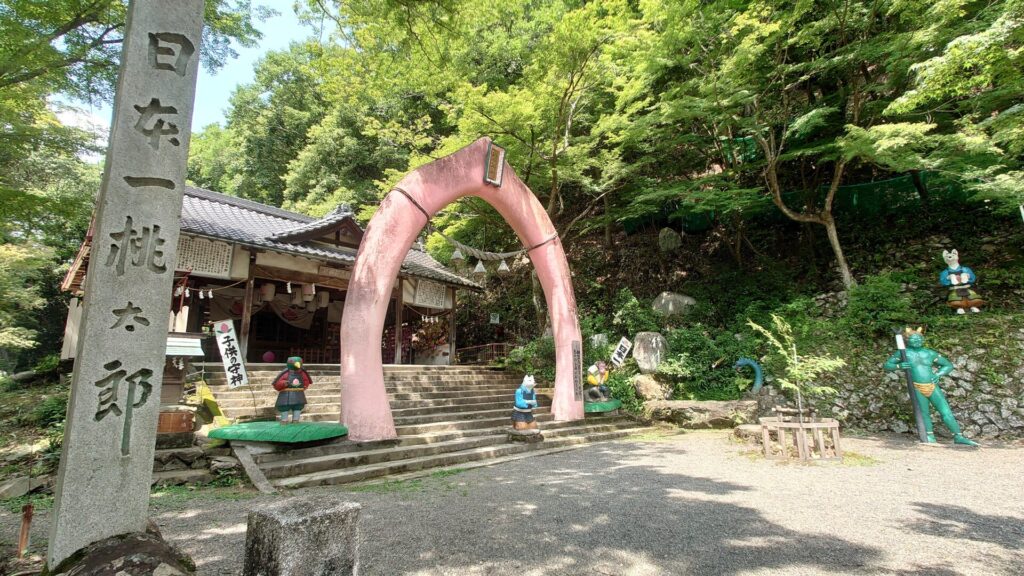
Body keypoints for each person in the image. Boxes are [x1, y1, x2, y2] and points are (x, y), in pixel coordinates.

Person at [883, 329, 979, 446]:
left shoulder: (929, 353)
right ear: (907, 340)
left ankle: (958, 436)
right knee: (924, 412)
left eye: (919, 339)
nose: (917, 341)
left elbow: (947, 365)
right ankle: (929, 436)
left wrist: (938, 374)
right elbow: (887, 365)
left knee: (946, 411)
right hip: (917, 386)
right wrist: (899, 366)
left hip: (932, 385)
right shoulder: (903, 353)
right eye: (914, 339)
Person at [939, 249, 984, 314]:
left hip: (967, 287)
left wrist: (967, 276)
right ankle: (959, 308)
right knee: (955, 300)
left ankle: (973, 306)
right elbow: (943, 282)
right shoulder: (945, 272)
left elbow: (972, 278)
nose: (950, 257)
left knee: (973, 297)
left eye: (952, 255)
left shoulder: (965, 269)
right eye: (947, 256)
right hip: (954, 288)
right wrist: (950, 278)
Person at [272, 356, 311, 424]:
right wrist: (283, 383)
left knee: (298, 407)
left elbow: (306, 380)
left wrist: (305, 385)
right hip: (286, 394)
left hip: (299, 394)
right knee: (284, 407)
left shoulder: (303, 373)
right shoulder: (285, 373)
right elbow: (277, 383)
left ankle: (296, 420)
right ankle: (284, 420)